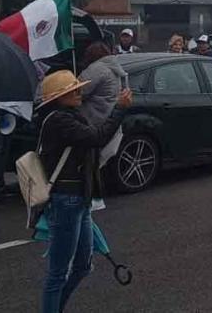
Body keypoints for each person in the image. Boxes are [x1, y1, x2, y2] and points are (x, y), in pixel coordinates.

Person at [38, 70, 132, 313]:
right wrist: (119, 109)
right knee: (58, 272)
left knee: (83, 265)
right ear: (61, 96)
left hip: (79, 197)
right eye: (73, 90)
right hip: (66, 198)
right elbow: (97, 137)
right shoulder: (60, 120)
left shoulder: (69, 116)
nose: (79, 92)